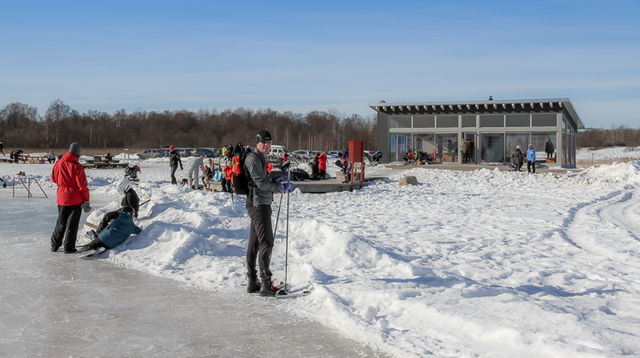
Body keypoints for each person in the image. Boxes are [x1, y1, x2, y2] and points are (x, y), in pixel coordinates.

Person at [244, 129, 294, 296]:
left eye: (269, 142)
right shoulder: (253, 158)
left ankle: (252, 282)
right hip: (258, 205)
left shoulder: (260, 158)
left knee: (256, 242)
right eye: (264, 142)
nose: (267, 145)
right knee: (267, 242)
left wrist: (277, 176)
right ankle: (266, 284)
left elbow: (264, 180)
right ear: (257, 142)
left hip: (260, 203)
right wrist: (279, 187)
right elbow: (260, 184)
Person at [50, 142, 91, 253]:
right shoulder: (77, 166)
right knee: (72, 224)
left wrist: (62, 184)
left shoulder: (58, 163)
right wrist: (86, 199)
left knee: (61, 222)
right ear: (78, 154)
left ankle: (54, 244)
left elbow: (53, 178)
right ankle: (69, 247)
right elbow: (82, 186)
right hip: (75, 199)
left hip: (61, 197)